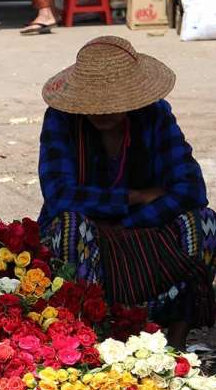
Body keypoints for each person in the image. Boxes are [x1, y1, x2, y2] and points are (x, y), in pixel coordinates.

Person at [38, 35, 215, 348]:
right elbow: (59, 195)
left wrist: (127, 223)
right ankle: (85, 341)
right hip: (90, 237)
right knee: (68, 227)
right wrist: (133, 197)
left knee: (204, 222)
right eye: (94, 103)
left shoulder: (155, 114)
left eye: (113, 103)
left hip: (146, 228)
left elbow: (190, 188)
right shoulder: (61, 119)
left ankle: (175, 342)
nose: (103, 112)